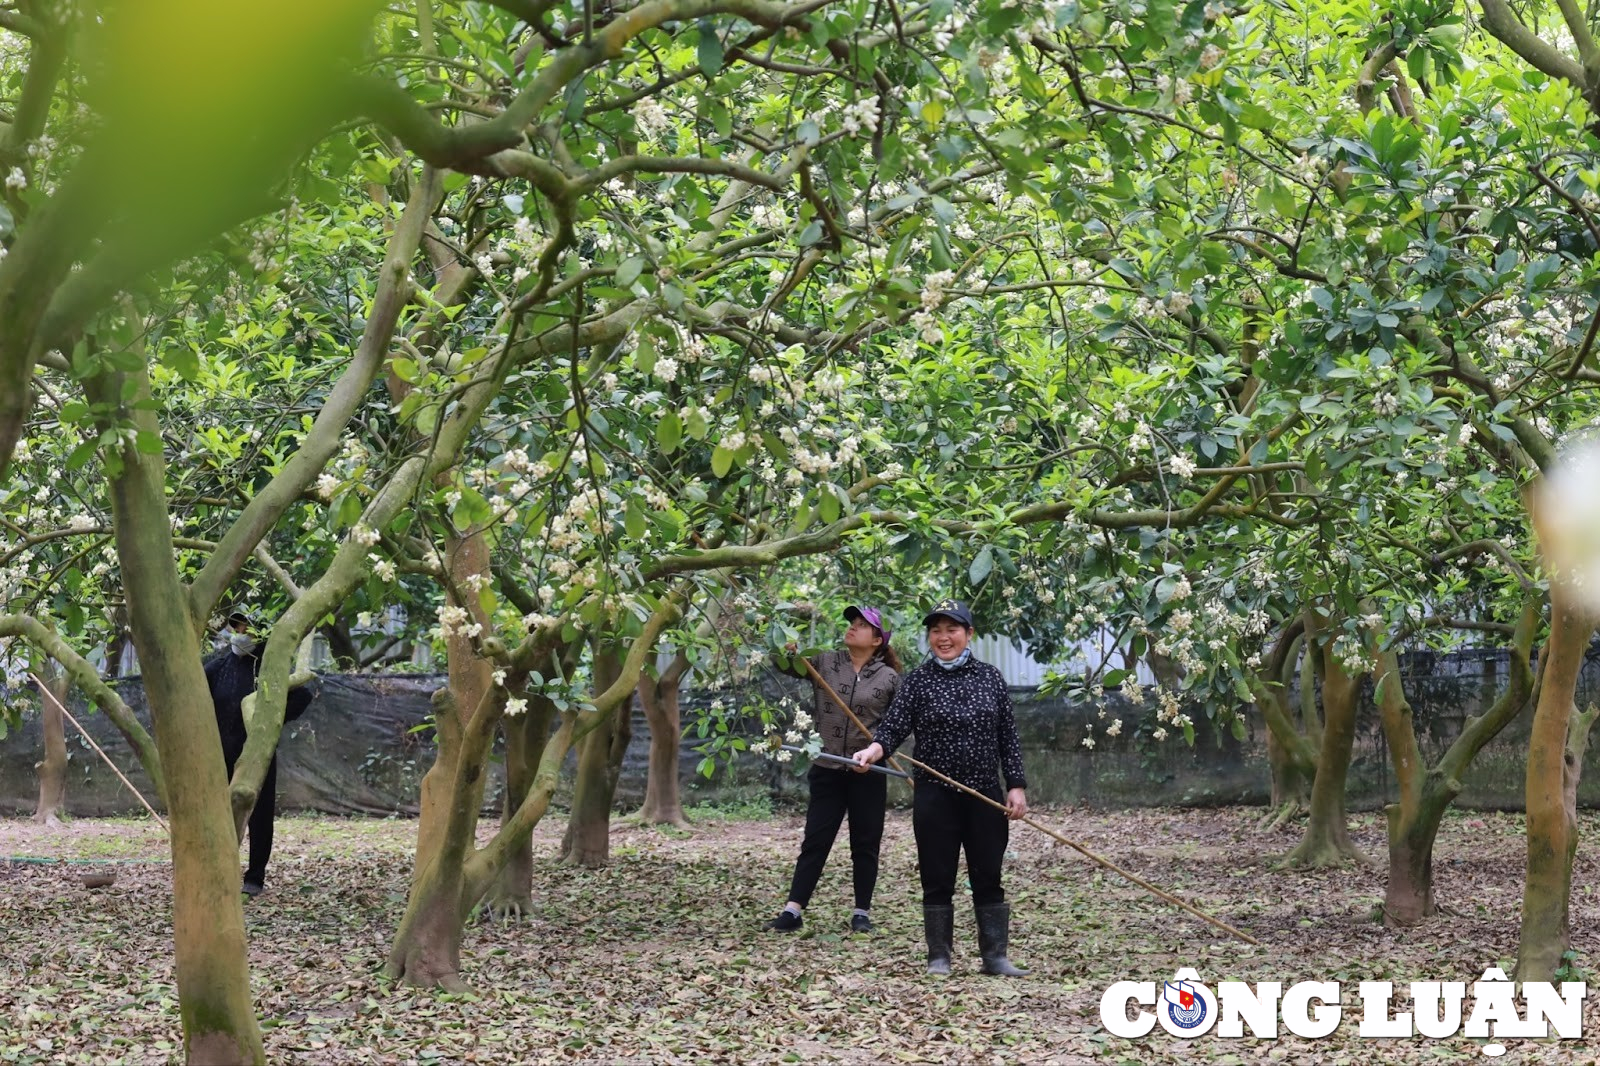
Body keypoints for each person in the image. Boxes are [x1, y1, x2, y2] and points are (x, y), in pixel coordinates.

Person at [852, 598, 1029, 976]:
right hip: (935, 795)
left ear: (969, 634)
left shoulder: (990, 678)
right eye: (936, 631)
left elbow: (1007, 736)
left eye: (952, 630)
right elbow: (893, 728)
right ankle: (939, 956)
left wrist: (1015, 785)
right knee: (936, 875)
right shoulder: (917, 680)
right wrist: (873, 750)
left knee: (988, 874)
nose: (943, 638)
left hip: (984, 794)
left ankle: (995, 956)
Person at [765, 605, 903, 934]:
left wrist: (875, 754)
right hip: (827, 767)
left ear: (877, 641)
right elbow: (783, 663)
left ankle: (861, 912)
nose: (852, 628)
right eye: (851, 623)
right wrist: (785, 638)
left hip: (868, 772)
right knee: (816, 839)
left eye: (861, 625)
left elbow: (897, 725)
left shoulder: (889, 679)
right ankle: (793, 910)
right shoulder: (825, 661)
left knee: (866, 843)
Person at [205, 609, 315, 896]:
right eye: (237, 628)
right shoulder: (218, 668)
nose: (240, 634)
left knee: (260, 815)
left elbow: (303, 695)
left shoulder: (268, 667)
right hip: (220, 755)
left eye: (247, 629)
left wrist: (271, 721)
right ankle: (220, 870)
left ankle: (255, 876)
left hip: (257, 754)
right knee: (220, 814)